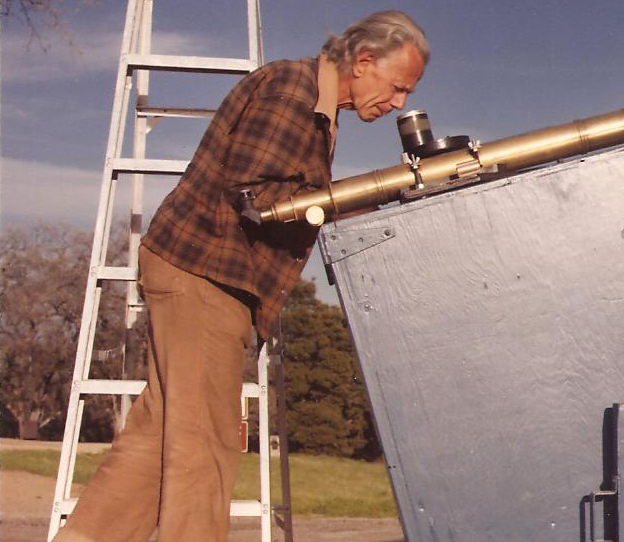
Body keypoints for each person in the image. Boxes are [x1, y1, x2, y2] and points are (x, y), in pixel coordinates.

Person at [53, 10, 428, 542]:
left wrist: (358, 201)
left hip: (195, 270)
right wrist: (370, 195)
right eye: (397, 88)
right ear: (363, 61)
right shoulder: (291, 90)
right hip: (206, 273)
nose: (399, 104)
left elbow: (278, 194)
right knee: (205, 443)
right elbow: (257, 197)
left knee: (159, 438)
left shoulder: (315, 105)